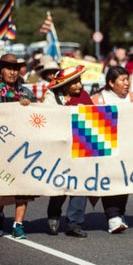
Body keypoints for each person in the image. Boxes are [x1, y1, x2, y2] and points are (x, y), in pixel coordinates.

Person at [0, 54, 37, 239]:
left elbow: (37, 113)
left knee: (23, 187)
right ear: (1, 71)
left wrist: (29, 105)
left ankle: (18, 224)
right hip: (2, 144)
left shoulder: (26, 92)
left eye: (15, 68)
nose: (12, 72)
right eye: (9, 68)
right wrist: (19, 104)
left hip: (23, 145)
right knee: (3, 184)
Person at [42, 65, 91, 238]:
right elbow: (47, 118)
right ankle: (54, 213)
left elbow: (92, 117)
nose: (79, 85)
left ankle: (74, 223)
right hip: (59, 147)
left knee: (80, 184)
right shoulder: (51, 97)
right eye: (75, 82)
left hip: (80, 145)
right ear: (64, 85)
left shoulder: (84, 96)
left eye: (79, 81)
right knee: (61, 182)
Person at [90, 66, 133, 233]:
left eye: (128, 79)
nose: (127, 83)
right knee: (109, 181)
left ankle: (119, 214)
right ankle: (112, 217)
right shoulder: (97, 99)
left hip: (128, 149)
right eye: (122, 80)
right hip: (105, 150)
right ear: (111, 83)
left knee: (124, 181)